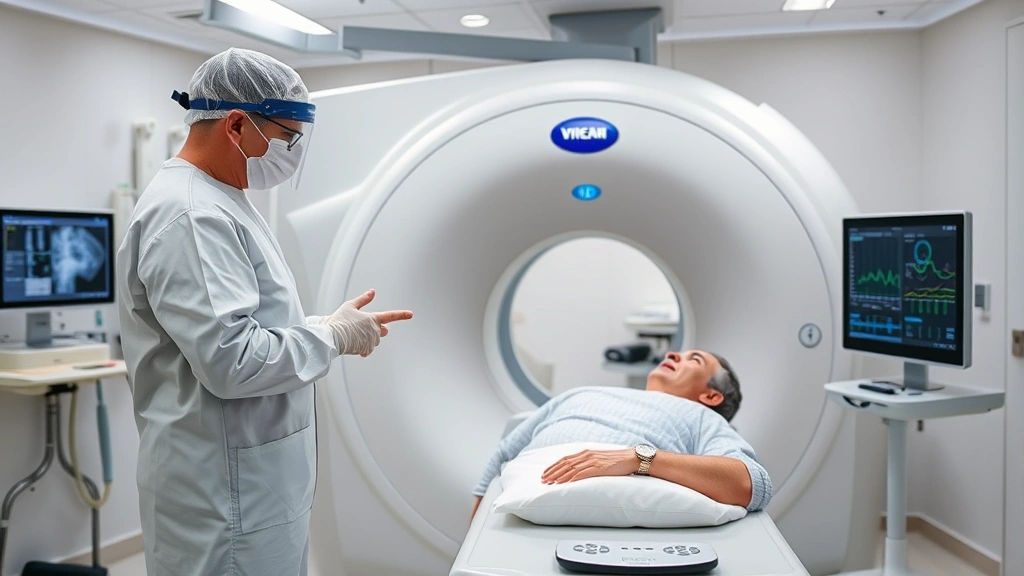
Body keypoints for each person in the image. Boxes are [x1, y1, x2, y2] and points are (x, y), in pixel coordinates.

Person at [116, 48, 412, 576]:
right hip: (222, 493)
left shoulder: (221, 199)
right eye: (286, 137)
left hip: (253, 483)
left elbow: (244, 328)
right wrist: (333, 339)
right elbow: (232, 361)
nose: (292, 153)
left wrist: (323, 324)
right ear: (235, 124)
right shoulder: (190, 215)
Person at [470, 350, 771, 519]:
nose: (673, 355)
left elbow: (751, 485)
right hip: (535, 476)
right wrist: (477, 541)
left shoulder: (703, 418)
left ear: (711, 396)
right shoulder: (582, 392)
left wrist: (639, 458)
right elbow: (502, 457)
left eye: (694, 360)